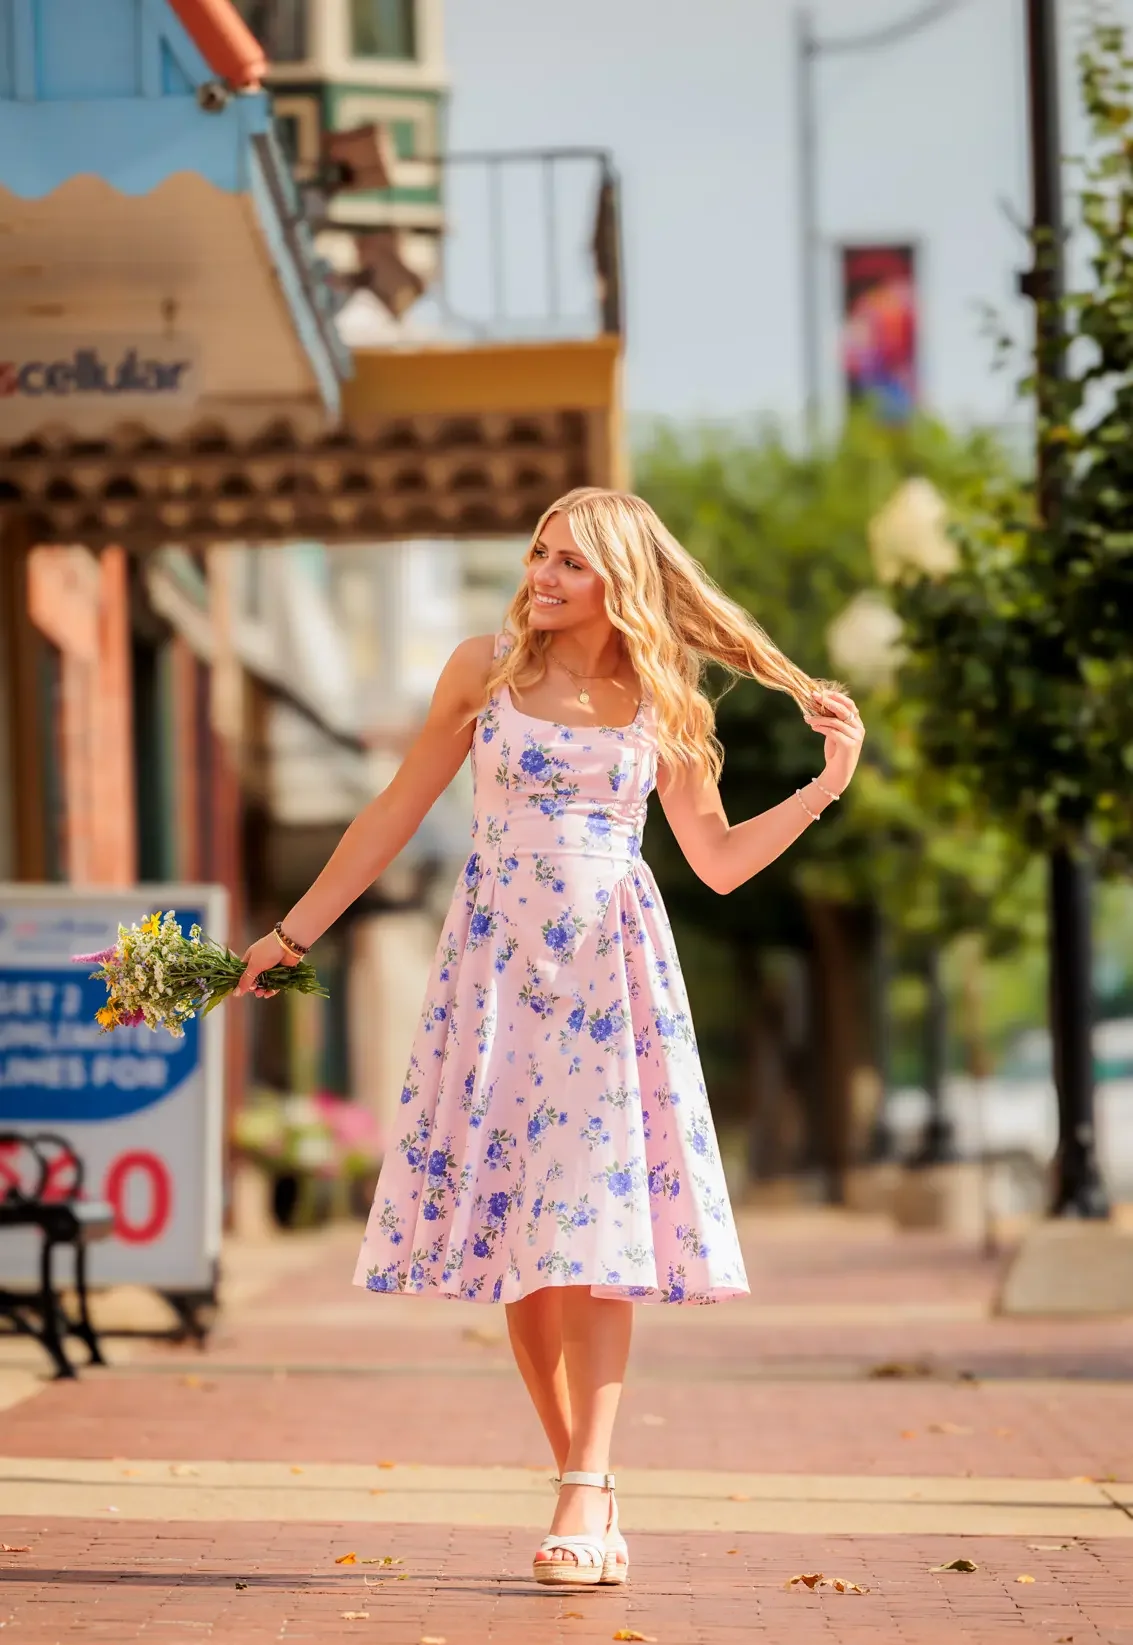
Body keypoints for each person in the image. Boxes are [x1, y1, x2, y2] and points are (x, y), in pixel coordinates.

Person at [236, 487, 864, 1588]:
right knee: (526, 1247)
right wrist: (292, 933)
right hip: (493, 973)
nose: (543, 574)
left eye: (570, 561)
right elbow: (391, 809)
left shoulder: (661, 698)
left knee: (598, 1229)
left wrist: (823, 785)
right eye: (540, 552)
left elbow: (712, 859)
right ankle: (580, 1474)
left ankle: (589, 1479)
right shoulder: (482, 671)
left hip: (610, 979)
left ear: (617, 579)